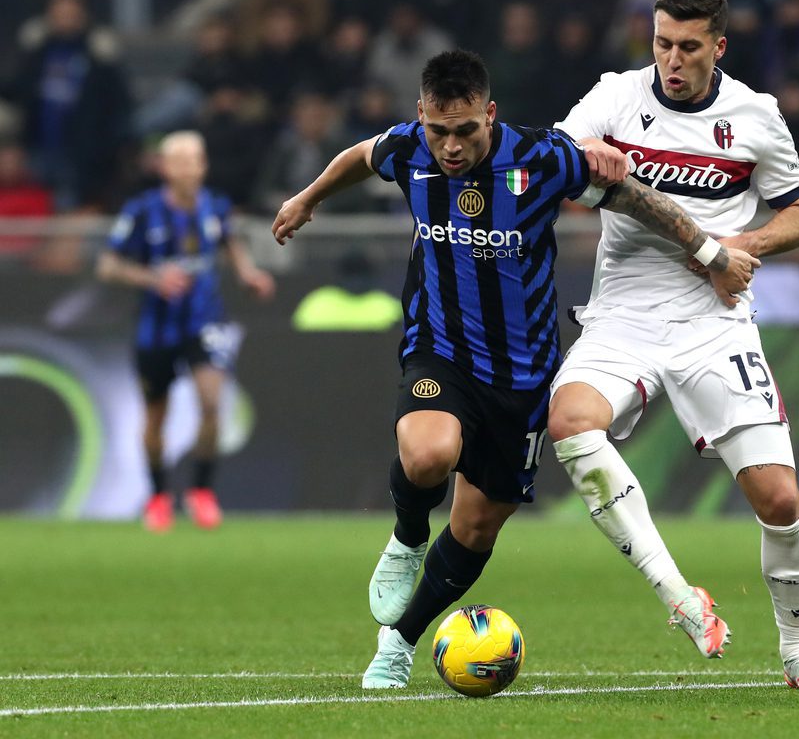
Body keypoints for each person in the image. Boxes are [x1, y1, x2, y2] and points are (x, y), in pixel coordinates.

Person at [270, 49, 758, 690]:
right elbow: (362, 156)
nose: (449, 147)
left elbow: (631, 198)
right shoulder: (407, 148)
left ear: (490, 115)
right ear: (421, 117)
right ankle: (408, 535)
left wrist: (710, 251)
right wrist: (308, 199)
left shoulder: (540, 159)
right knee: (427, 455)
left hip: (523, 377)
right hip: (439, 349)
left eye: (466, 130)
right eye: (438, 131)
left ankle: (399, 641)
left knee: (475, 526)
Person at [545, 0, 799, 691]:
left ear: (718, 46)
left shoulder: (756, 116)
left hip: (715, 324)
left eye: (687, 47)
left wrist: (742, 245)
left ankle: (798, 647)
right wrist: (585, 155)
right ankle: (678, 594)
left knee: (779, 500)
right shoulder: (616, 95)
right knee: (569, 423)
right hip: (622, 316)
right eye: (661, 44)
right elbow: (550, 158)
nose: (671, 61)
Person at [96, 131, 276, 532]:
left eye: (194, 159)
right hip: (155, 330)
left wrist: (248, 274)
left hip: (204, 322)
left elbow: (230, 242)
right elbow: (107, 265)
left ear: (203, 164)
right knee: (156, 417)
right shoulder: (142, 211)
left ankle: (200, 491)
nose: (188, 167)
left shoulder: (215, 206)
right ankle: (158, 496)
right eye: (178, 160)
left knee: (212, 402)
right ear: (163, 167)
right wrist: (151, 278)